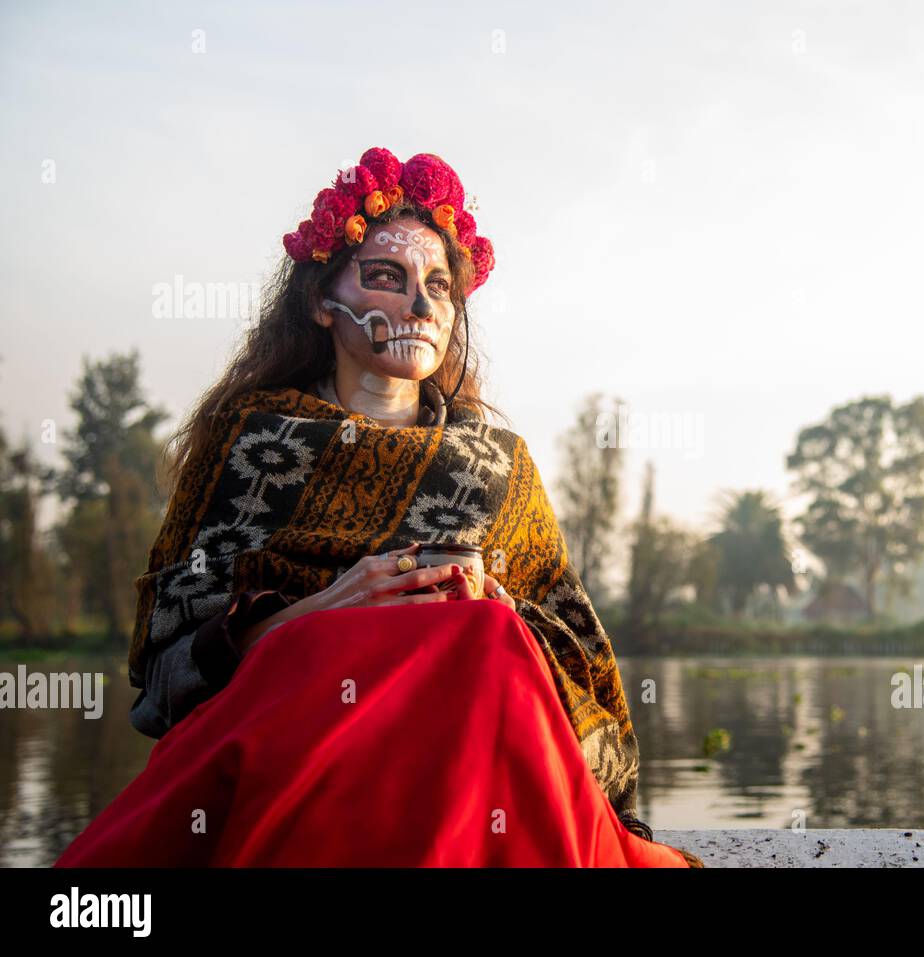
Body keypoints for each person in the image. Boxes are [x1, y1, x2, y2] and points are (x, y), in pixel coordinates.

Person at [55, 147, 701, 868]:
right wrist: (327, 607)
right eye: (387, 278)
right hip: (295, 747)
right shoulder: (248, 442)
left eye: (438, 285)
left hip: (467, 751)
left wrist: (499, 612)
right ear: (320, 303)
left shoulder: (500, 469)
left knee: (487, 636)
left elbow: (582, 664)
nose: (422, 306)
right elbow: (166, 673)